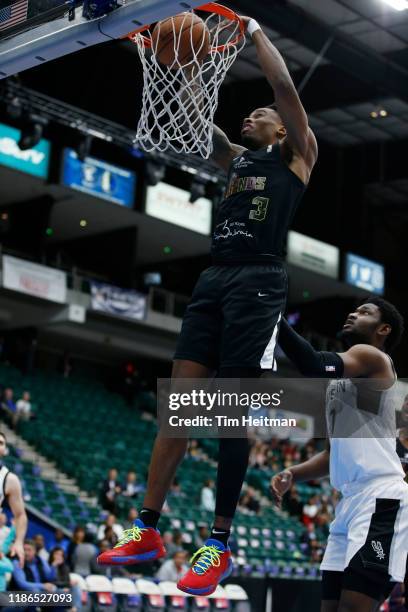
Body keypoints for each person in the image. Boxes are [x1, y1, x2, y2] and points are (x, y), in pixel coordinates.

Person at [97, 14, 318, 597]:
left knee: (226, 411)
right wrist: (189, 68)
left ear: (281, 132)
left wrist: (250, 32)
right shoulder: (238, 162)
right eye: (249, 114)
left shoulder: (296, 157)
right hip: (215, 279)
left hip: (260, 283)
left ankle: (217, 543)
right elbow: (196, 119)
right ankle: (146, 528)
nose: (253, 115)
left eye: (259, 115)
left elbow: (285, 92)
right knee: (180, 408)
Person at [271, 297, 408, 612]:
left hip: (381, 498)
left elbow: (313, 363)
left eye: (364, 312)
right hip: (349, 502)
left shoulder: (373, 357)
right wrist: (294, 472)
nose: (353, 313)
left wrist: (275, 321)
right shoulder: (341, 383)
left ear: (383, 329)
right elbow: (333, 453)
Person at [0, 431, 27, 566]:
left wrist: (19, 541)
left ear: (4, 450)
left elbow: (20, 515)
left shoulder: (9, 479)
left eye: (1, 443)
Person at [49, 546, 82, 611]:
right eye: (56, 554)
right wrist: (54, 566)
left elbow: (66, 581)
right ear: (52, 555)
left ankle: (75, 609)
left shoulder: (65, 567)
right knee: (63, 593)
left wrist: (69, 584)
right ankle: (72, 609)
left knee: (76, 587)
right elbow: (51, 581)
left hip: (64, 588)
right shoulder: (49, 566)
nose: (59, 557)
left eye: (61, 555)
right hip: (53, 589)